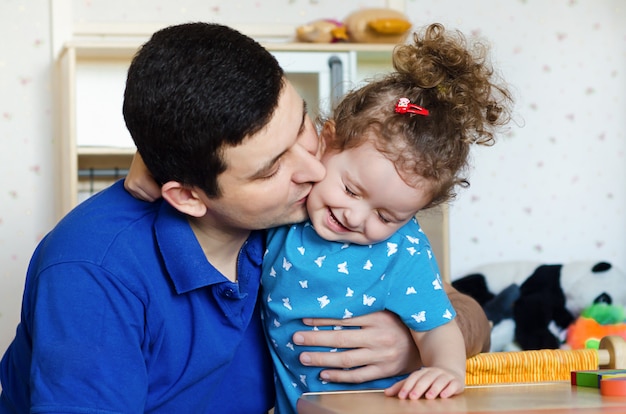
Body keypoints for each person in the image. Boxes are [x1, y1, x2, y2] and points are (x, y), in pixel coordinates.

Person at [0, 22, 490, 414]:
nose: (313, 168)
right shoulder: (93, 275)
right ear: (189, 197)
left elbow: (462, 315)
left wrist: (409, 345)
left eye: (304, 126)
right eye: (273, 168)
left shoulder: (308, 212)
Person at [261, 23, 513, 413]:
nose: (355, 217)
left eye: (386, 214)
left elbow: (438, 325)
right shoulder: (287, 209)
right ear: (326, 142)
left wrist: (447, 369)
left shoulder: (401, 250)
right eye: (350, 190)